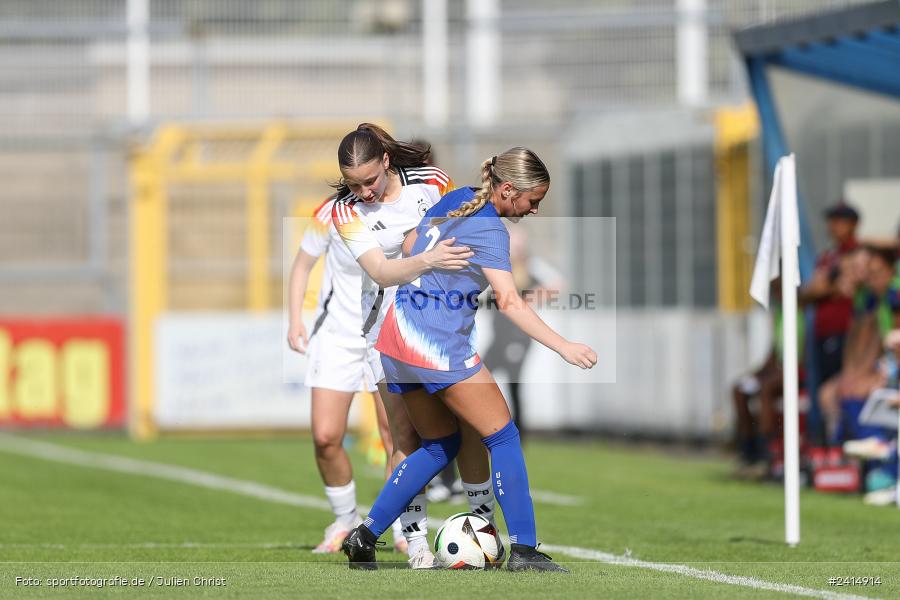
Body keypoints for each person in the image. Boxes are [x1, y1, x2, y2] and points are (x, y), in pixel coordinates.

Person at [340, 147, 597, 572]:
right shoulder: (491, 230)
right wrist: (564, 346)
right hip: (435, 342)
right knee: (503, 435)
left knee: (439, 446)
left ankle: (365, 535)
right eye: (534, 200)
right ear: (509, 190)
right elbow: (510, 302)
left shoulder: (455, 198)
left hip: (395, 338)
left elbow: (409, 244)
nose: (535, 210)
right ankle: (526, 551)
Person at [330, 124, 499, 568]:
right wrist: (427, 257)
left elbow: (462, 231)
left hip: (442, 324)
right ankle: (416, 542)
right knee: (404, 436)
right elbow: (382, 272)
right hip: (385, 332)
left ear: (387, 161)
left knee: (472, 425)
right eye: (354, 184)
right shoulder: (343, 212)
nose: (363, 191)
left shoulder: (432, 181)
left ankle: (484, 527)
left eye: (369, 180)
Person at [288, 195, 415, 555]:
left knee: (396, 436)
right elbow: (302, 266)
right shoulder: (330, 211)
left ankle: (409, 525)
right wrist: (295, 318)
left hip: (388, 333)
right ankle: (345, 520)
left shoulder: (411, 201)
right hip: (336, 336)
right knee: (326, 437)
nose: (366, 187)